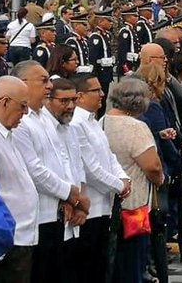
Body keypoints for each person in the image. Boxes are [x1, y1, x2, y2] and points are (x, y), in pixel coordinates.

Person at [11, 62, 88, 281]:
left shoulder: (44, 118)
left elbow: (66, 162)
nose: (49, 86)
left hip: (60, 213)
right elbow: (34, 169)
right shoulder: (22, 122)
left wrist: (74, 198)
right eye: (43, 81)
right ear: (22, 83)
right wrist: (71, 194)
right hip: (39, 216)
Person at [103, 79, 164, 283]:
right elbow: (152, 166)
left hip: (109, 203)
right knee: (134, 260)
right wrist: (160, 179)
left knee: (115, 262)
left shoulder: (102, 122)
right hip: (134, 204)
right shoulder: (136, 127)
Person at [70, 74, 130, 283]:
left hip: (104, 203)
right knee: (90, 265)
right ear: (80, 96)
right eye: (96, 90)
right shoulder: (77, 123)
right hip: (91, 206)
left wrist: (123, 178)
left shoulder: (92, 119)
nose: (102, 94)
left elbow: (108, 154)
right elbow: (90, 168)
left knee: (102, 263)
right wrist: (118, 185)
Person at [0, 75, 38, 282]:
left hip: (16, 237)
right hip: (3, 243)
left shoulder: (4, 134)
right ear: (4, 101)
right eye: (22, 106)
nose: (26, 112)